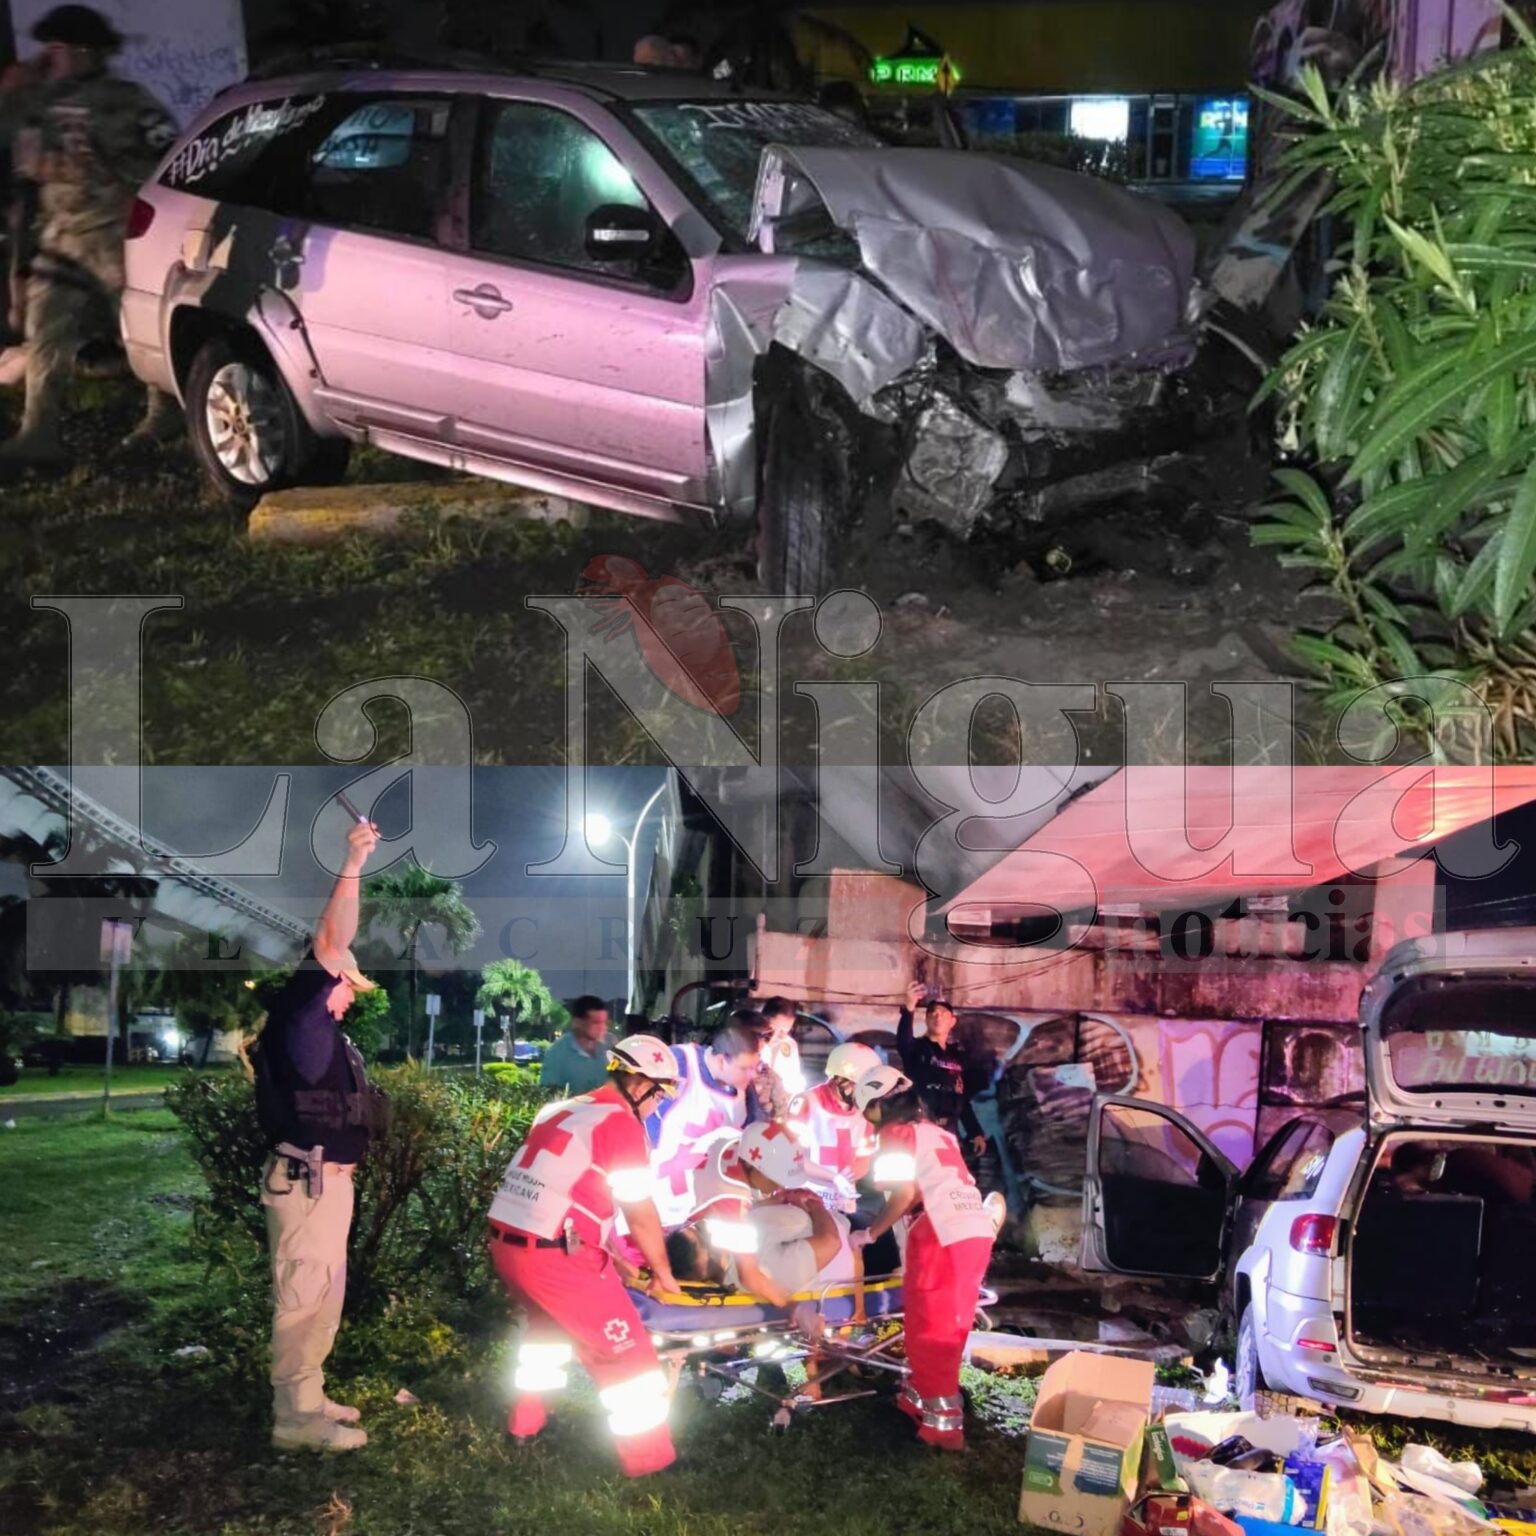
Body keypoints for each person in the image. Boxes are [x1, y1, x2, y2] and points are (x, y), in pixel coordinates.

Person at [250, 817, 387, 1453]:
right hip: (308, 1181)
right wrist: (354, 862)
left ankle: (308, 1395)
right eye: (350, 985)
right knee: (304, 1296)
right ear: (331, 980)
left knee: (321, 1294)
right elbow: (333, 935)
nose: (353, 996)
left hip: (324, 1181)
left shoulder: (322, 1033)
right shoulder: (303, 1013)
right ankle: (295, 1420)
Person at [489, 1035, 683, 1480]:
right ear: (640, 1085)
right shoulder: (622, 1125)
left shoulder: (563, 1110)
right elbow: (639, 1209)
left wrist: (612, 1254)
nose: (659, 1105)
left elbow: (569, 1189)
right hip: (556, 1258)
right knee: (628, 1356)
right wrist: (664, 1273)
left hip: (510, 1244)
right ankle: (651, 1462)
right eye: (660, 1094)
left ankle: (524, 1427)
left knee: (544, 1338)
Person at [0, 5, 180, 471]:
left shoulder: (126, 100)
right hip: (62, 237)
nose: (52, 58)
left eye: (61, 49)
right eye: (50, 49)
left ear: (87, 52)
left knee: (140, 326)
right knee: (46, 328)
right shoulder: (37, 104)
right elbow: (23, 174)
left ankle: (164, 415)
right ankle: (39, 433)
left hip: (118, 233)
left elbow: (167, 157)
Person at [851, 1062, 1001, 1452]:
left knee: (929, 1327)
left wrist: (870, 1232)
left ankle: (943, 1429)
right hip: (973, 1229)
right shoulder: (938, 1132)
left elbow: (903, 1195)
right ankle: (915, 1396)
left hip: (939, 1233)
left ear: (880, 1106)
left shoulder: (895, 1135)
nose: (866, 1121)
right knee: (951, 1323)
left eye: (866, 1110)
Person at [646, 1015, 762, 1226]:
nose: (752, 1075)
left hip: (714, 1203)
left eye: (756, 1067)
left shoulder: (745, 1092)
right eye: (745, 1068)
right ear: (721, 1060)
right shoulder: (677, 1065)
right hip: (663, 1195)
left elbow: (753, 1134)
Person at [786, 1040, 881, 1216]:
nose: (863, 1093)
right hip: (803, 1198)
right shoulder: (806, 1103)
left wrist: (848, 1179)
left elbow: (863, 1160)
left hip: (842, 1201)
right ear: (840, 1079)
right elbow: (791, 1158)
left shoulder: (866, 1112)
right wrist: (835, 1178)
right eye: (858, 1085)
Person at [897, 981, 986, 1155]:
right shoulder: (917, 1049)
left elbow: (962, 1099)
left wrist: (975, 1132)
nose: (937, 1017)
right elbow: (903, 1041)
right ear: (927, 1019)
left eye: (943, 1014)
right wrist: (909, 1008)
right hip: (920, 1128)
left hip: (949, 1132)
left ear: (952, 1021)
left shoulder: (957, 1057)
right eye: (933, 1014)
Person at [539, 995, 615, 1095]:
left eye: (604, 1022)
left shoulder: (611, 1043)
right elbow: (549, 1092)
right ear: (578, 1022)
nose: (603, 1028)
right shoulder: (557, 1053)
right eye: (596, 1023)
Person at [748, 996, 805, 1122]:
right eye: (775, 1029)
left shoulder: (790, 1045)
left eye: (786, 1030)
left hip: (781, 1108)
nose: (780, 1035)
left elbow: (794, 1080)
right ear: (764, 1021)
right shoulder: (751, 1044)